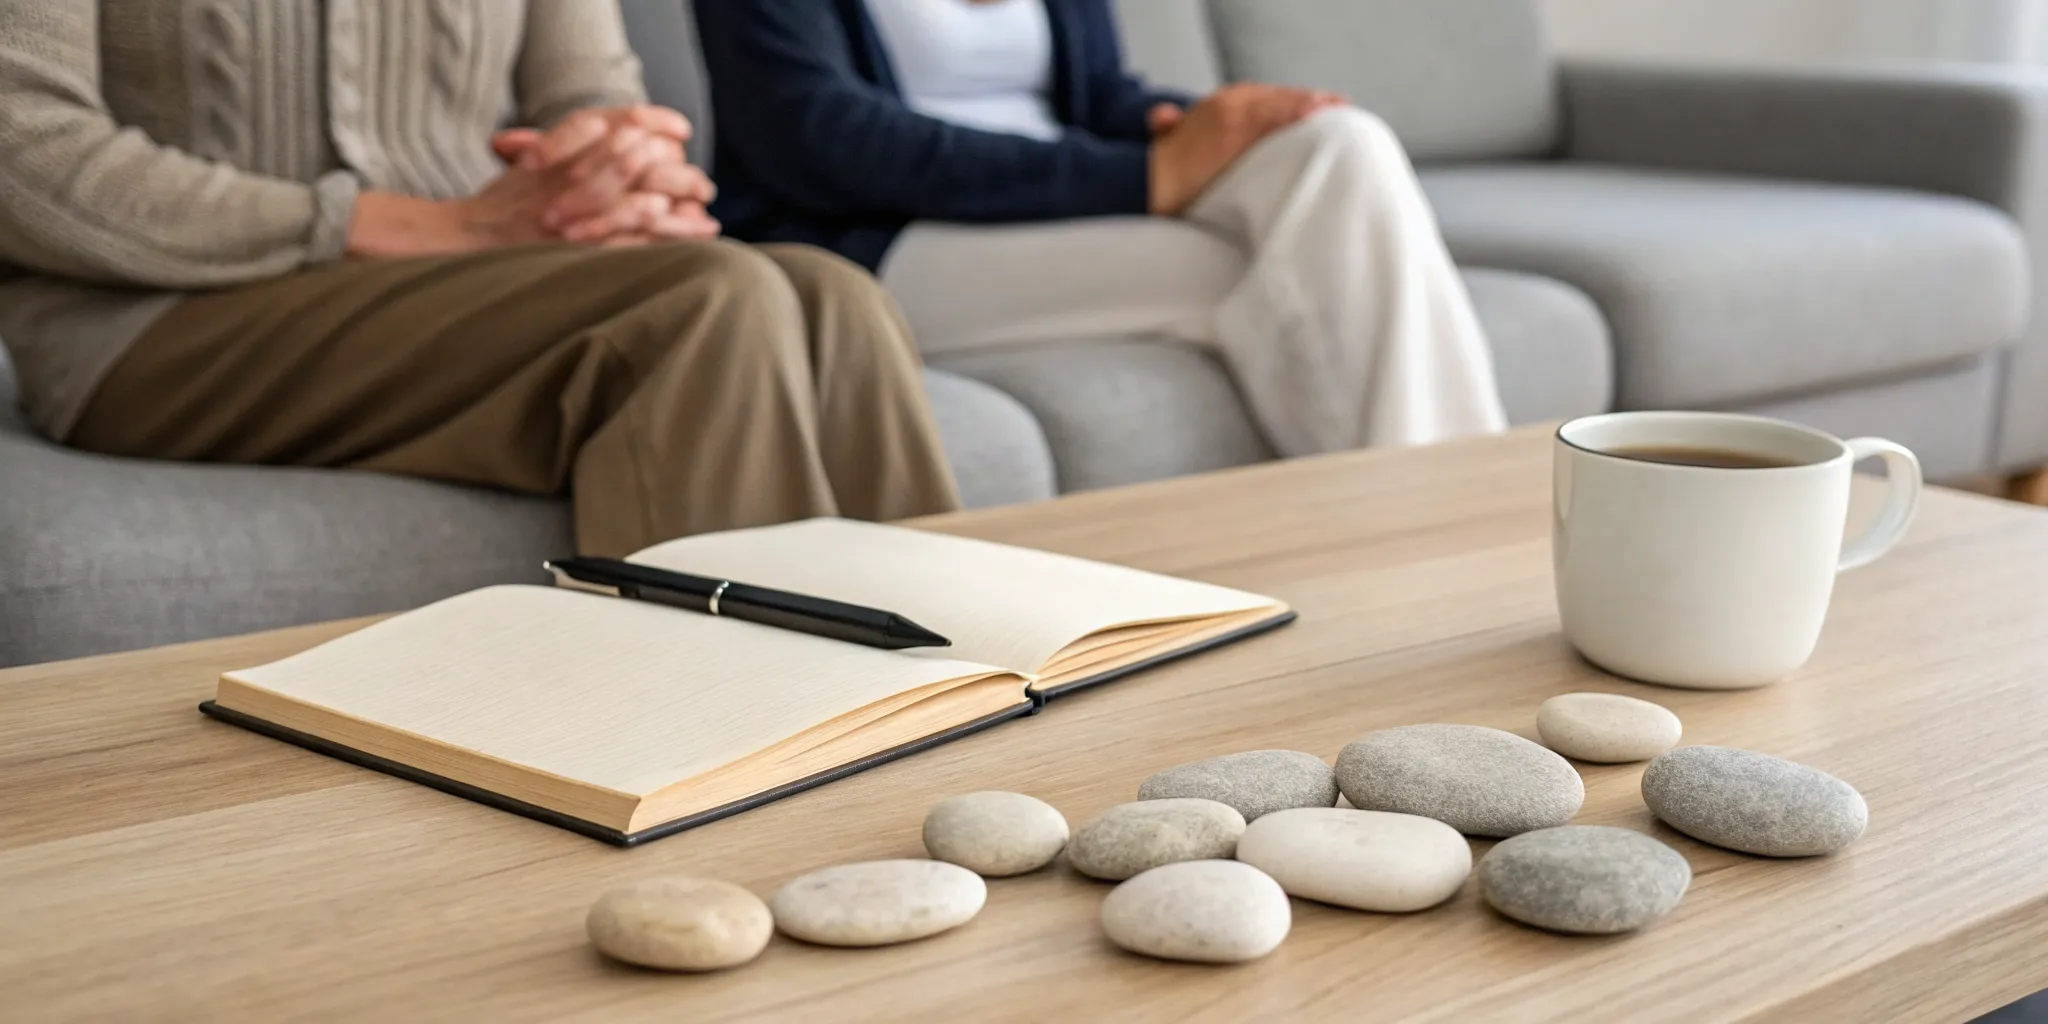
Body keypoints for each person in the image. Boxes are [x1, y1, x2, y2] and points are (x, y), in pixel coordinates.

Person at [0, 0, 962, 559]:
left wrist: (618, 173)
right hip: (161, 320)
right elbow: (24, 149)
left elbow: (591, 92)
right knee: (708, 302)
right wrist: (436, 227)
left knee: (827, 294)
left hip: (479, 281)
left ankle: (960, 732)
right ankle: (714, 782)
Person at [697, 0, 1509, 458]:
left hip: (1065, 199)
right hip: (883, 241)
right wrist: (1146, 175)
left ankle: (1453, 518)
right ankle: (1428, 533)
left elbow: (1097, 96)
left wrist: (1218, 123)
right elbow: (817, 141)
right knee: (1282, 276)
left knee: (1337, 144)